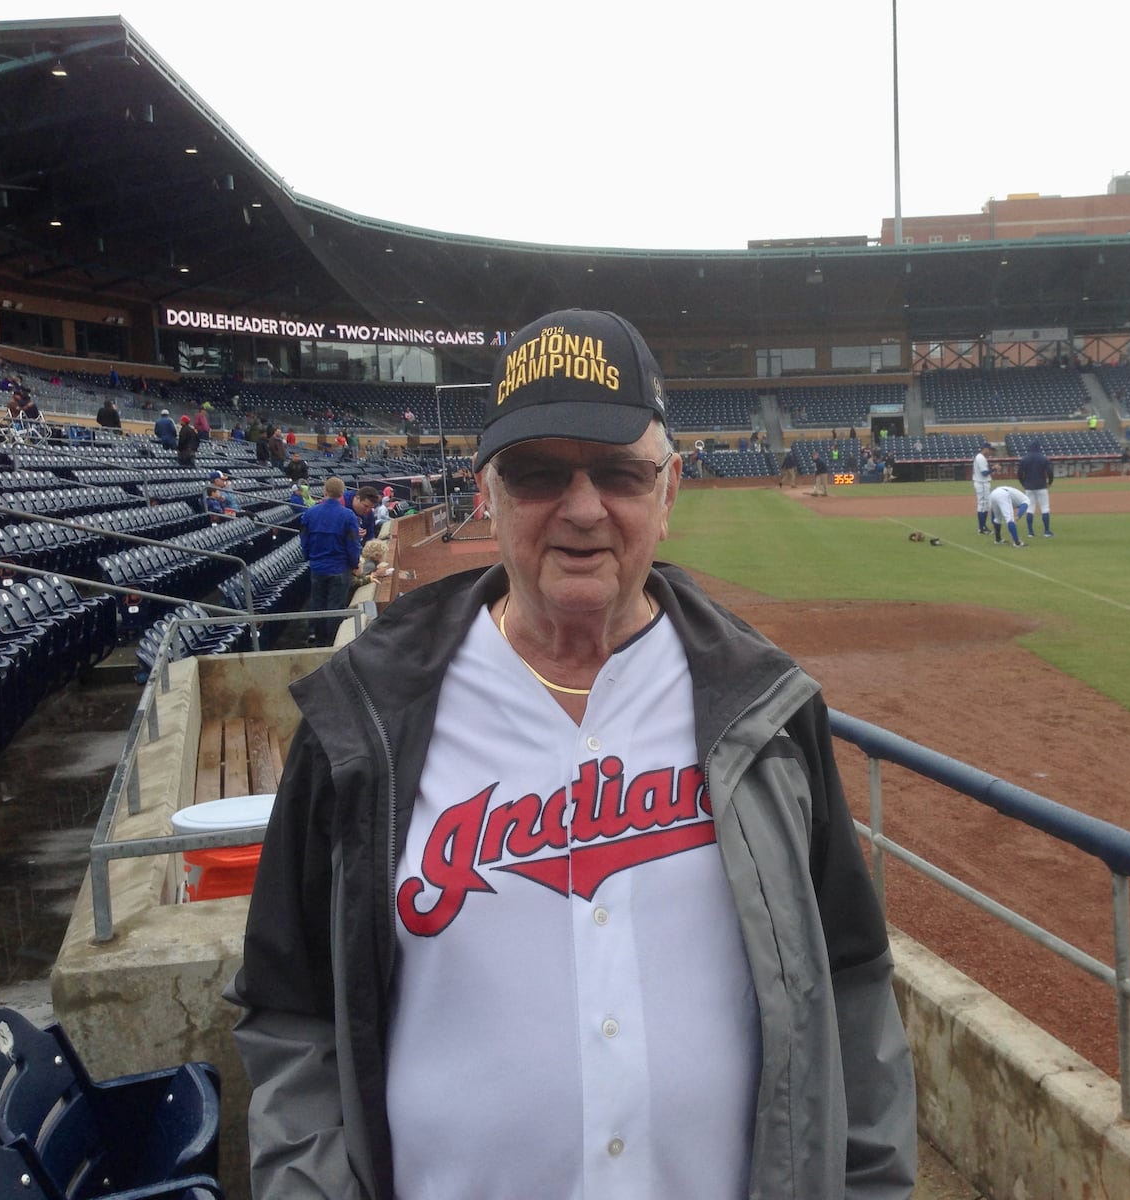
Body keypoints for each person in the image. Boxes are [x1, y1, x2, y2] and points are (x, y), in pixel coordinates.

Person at [227, 308, 916, 1200]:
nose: (583, 508)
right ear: (487, 496)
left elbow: (853, 989)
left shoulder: (767, 711)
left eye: (620, 474)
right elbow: (292, 1012)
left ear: (668, 494)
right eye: (539, 473)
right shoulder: (364, 718)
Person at [297, 474, 362, 645]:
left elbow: (304, 539)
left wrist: (309, 558)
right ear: (342, 494)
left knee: (318, 604)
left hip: (318, 567)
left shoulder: (310, 513)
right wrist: (355, 564)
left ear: (325, 491)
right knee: (336, 607)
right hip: (340, 568)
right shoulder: (348, 515)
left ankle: (318, 640)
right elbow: (353, 544)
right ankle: (333, 642)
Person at [1014, 437, 1055, 538]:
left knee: (1030, 508)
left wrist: (1023, 483)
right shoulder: (1043, 458)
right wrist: (1050, 482)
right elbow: (1050, 472)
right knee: (1045, 508)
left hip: (1029, 487)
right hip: (1041, 486)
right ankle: (1046, 531)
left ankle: (1030, 532)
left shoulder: (1024, 459)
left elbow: (1019, 473)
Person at [971, 440, 994, 534]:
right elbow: (984, 473)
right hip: (982, 483)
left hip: (981, 483)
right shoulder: (981, 458)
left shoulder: (980, 457)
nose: (990, 451)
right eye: (989, 449)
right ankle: (982, 528)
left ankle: (982, 527)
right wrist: (994, 469)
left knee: (983, 506)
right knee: (983, 506)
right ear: (985, 449)